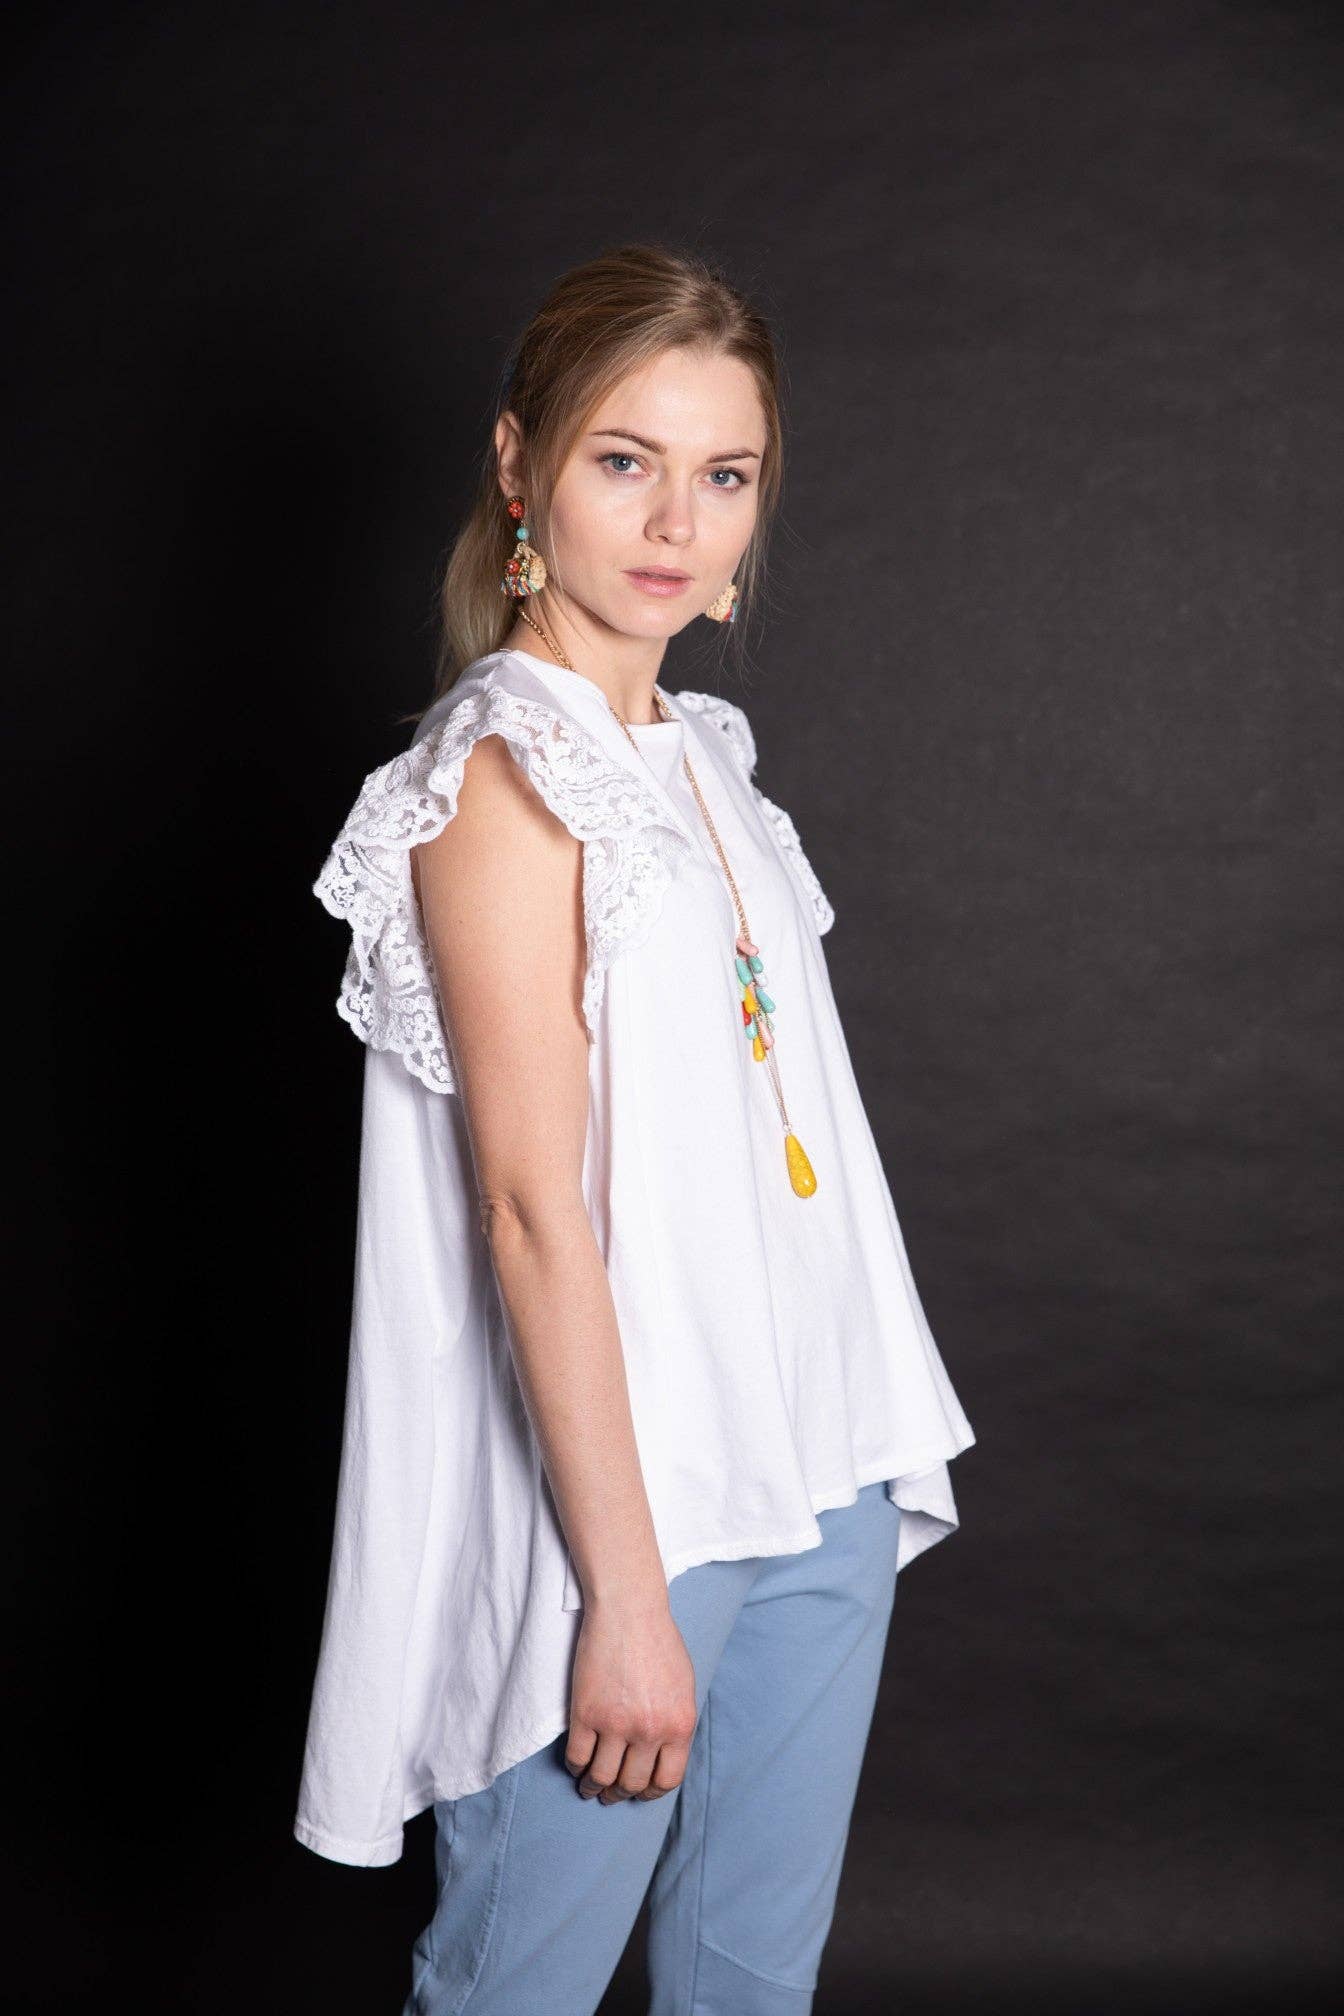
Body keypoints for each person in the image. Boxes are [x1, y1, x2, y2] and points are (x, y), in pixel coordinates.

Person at [294, 242, 976, 2015]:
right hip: (630, 1516)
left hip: (815, 1461)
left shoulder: (703, 753)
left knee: (749, 1989)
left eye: (725, 474)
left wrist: (846, 1478)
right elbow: (530, 1209)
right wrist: (621, 1597)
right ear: (520, 466)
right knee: (516, 1989)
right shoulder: (498, 775)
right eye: (626, 460)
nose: (679, 522)